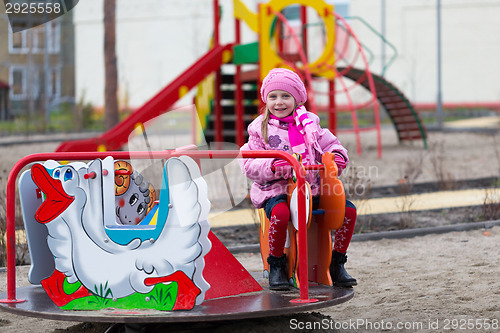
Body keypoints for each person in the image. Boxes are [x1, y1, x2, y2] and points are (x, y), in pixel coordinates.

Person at [239, 68, 357, 290]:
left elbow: (331, 145)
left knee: (347, 211)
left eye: (286, 96)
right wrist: (273, 166)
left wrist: (337, 156)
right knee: (282, 213)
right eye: (273, 97)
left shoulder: (309, 125)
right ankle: (277, 264)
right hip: (276, 190)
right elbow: (248, 162)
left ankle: (336, 262)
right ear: (266, 100)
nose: (279, 102)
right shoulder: (260, 129)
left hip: (310, 189)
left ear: (297, 99)